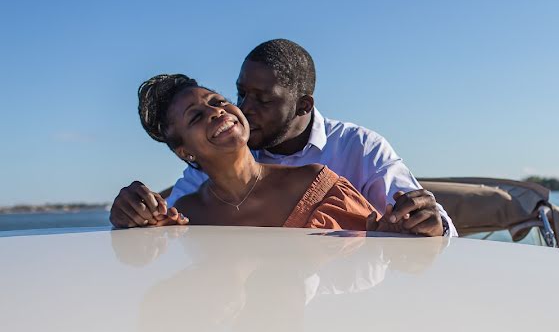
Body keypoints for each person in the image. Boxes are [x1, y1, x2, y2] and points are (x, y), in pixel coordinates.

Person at [111, 39, 455, 236]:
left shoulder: (357, 150)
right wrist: (132, 213)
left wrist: (430, 224)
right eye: (240, 94)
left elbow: (412, 230)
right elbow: (161, 226)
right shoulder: (197, 185)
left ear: (303, 105)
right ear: (186, 153)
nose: (242, 107)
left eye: (263, 99)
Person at [132, 73, 409, 233]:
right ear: (186, 153)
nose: (217, 111)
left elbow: (379, 258)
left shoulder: (317, 185)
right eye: (196, 117)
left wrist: (409, 226)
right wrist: (128, 215)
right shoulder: (187, 215)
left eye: (219, 101)